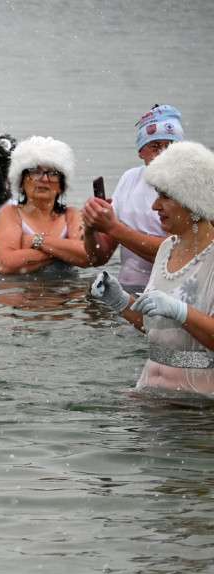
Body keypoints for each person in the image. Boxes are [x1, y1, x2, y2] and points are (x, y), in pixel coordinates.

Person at [90, 140, 214, 395]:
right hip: (151, 389)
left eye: (165, 196)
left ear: (192, 199)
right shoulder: (167, 248)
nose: (155, 206)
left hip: (198, 403)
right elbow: (156, 328)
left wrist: (181, 311)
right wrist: (120, 301)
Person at [83, 105, 184, 294]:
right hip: (127, 290)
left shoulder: (189, 186)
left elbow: (172, 254)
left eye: (171, 145)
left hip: (171, 294)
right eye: (155, 146)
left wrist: (112, 226)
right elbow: (99, 258)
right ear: (141, 151)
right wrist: (91, 229)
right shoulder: (130, 179)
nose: (164, 153)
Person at [0, 136, 90, 275]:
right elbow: (5, 264)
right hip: (21, 293)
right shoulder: (11, 213)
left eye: (53, 173)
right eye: (35, 172)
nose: (44, 179)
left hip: (66, 293)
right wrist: (64, 250)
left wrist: (37, 241)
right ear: (21, 181)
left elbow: (88, 255)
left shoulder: (71, 215)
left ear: (61, 186)